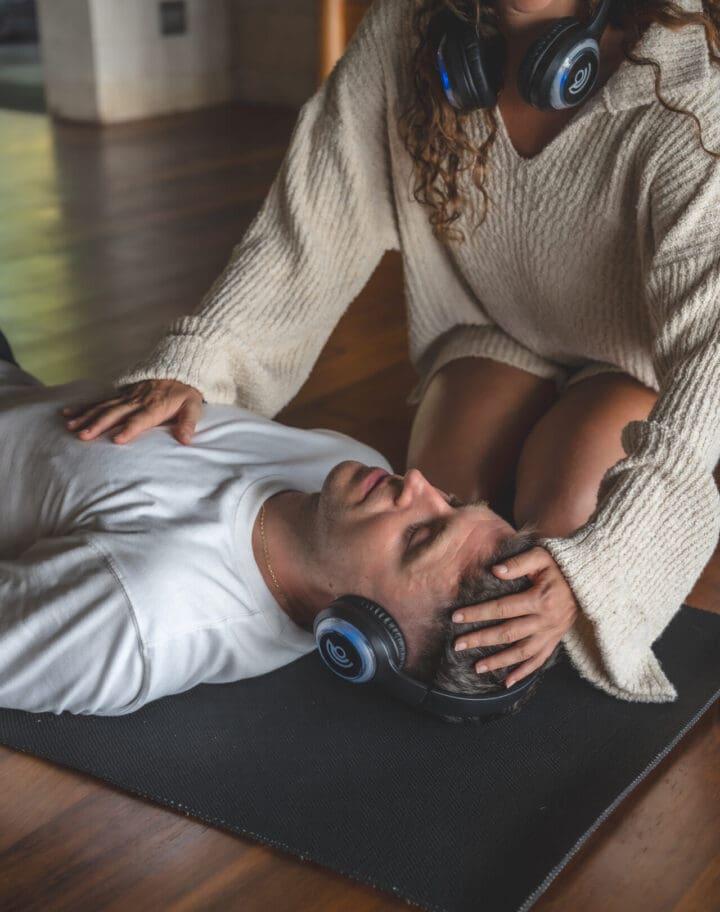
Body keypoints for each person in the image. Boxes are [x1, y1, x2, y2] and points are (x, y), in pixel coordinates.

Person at [61, 0, 720, 703]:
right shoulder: (408, 30)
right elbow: (308, 232)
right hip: (492, 330)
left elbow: (712, 356)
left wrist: (601, 569)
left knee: (543, 563)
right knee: (419, 542)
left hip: (637, 360)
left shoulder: (686, 90)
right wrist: (196, 361)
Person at [0, 356, 567, 718]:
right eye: (454, 500)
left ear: (361, 633)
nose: (417, 483)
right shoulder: (352, 470)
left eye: (420, 535)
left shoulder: (143, 616)